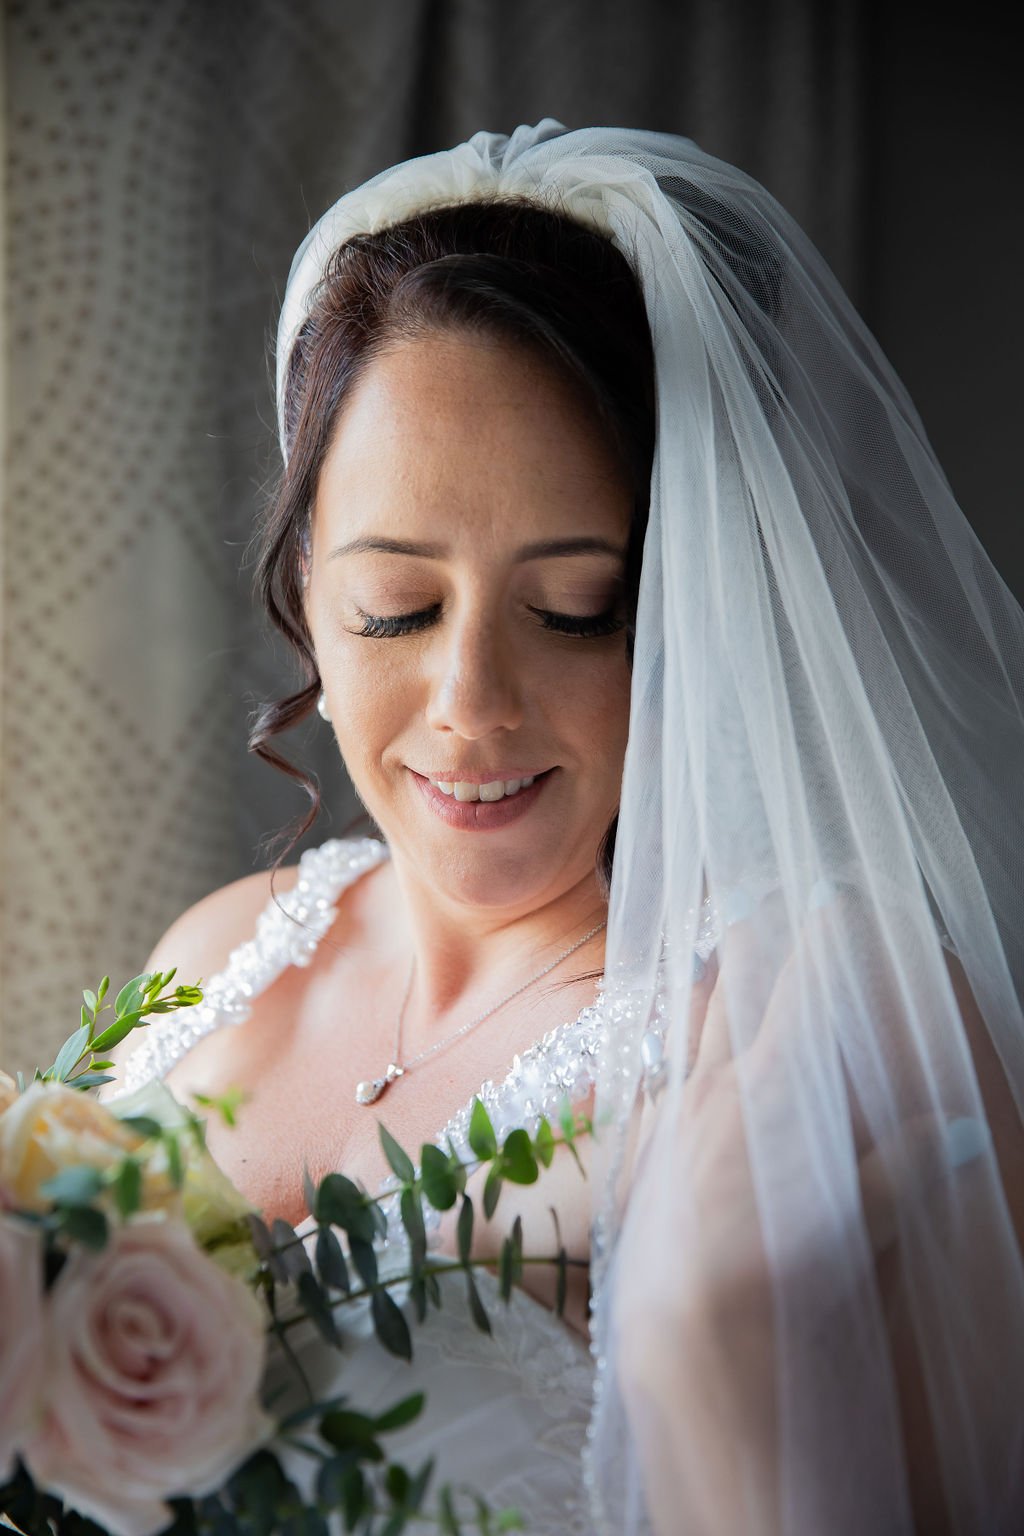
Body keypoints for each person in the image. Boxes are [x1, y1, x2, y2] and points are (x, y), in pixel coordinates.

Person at [110, 122, 1024, 1534]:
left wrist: (708, 1378)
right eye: (395, 608)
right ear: (307, 594)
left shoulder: (822, 1028)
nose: (471, 704)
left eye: (575, 610)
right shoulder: (216, 955)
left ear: (694, 603)